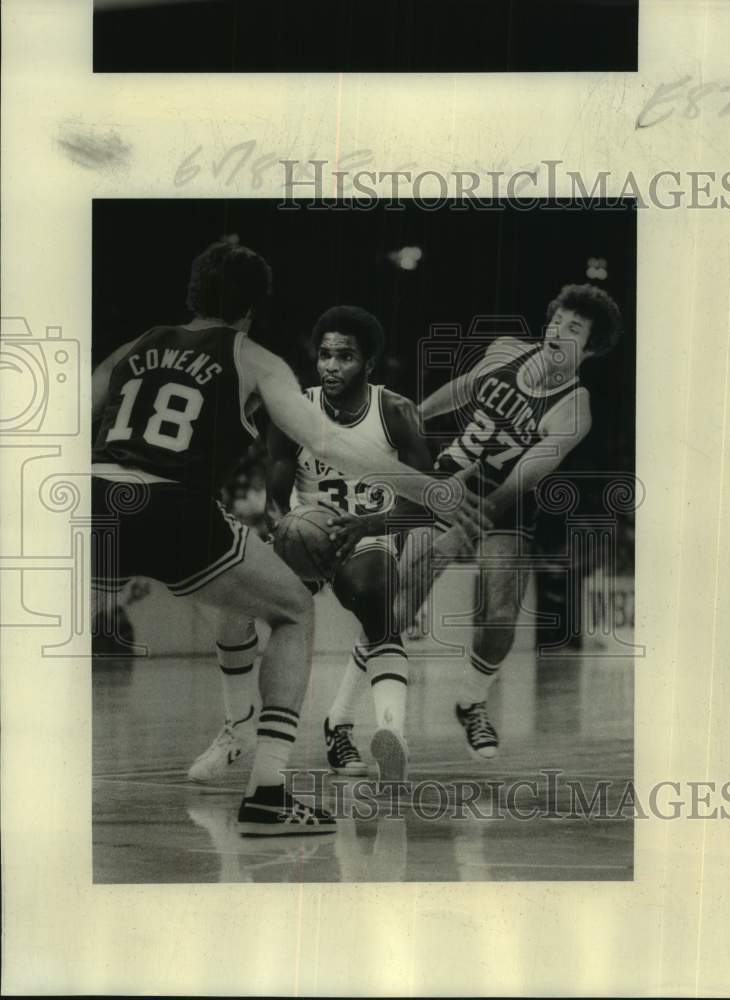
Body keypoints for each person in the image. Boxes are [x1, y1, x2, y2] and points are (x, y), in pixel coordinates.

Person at [91, 239, 485, 836]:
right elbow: (329, 444)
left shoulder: (130, 348)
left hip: (92, 501)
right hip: (171, 505)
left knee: (228, 606)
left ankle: (238, 729)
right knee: (295, 610)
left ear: (191, 295)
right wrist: (433, 490)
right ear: (251, 310)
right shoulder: (254, 357)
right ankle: (269, 791)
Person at [187, 305, 433, 787]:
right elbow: (275, 498)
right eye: (325, 355)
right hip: (304, 534)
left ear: (368, 364)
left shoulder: (396, 413)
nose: (331, 366)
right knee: (231, 603)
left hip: (368, 536)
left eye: (345, 357)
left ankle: (391, 736)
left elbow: (431, 504)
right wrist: (290, 528)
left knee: (377, 594)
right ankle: (236, 730)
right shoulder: (294, 410)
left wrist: (367, 526)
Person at [395, 284, 623, 759]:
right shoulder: (507, 351)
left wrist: (474, 518)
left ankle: (472, 701)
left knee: (502, 615)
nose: (559, 332)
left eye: (574, 329)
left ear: (591, 347)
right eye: (557, 321)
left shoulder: (574, 409)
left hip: (506, 502)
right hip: (451, 478)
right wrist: (417, 415)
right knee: (401, 596)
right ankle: (348, 715)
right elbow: (465, 388)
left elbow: (522, 479)